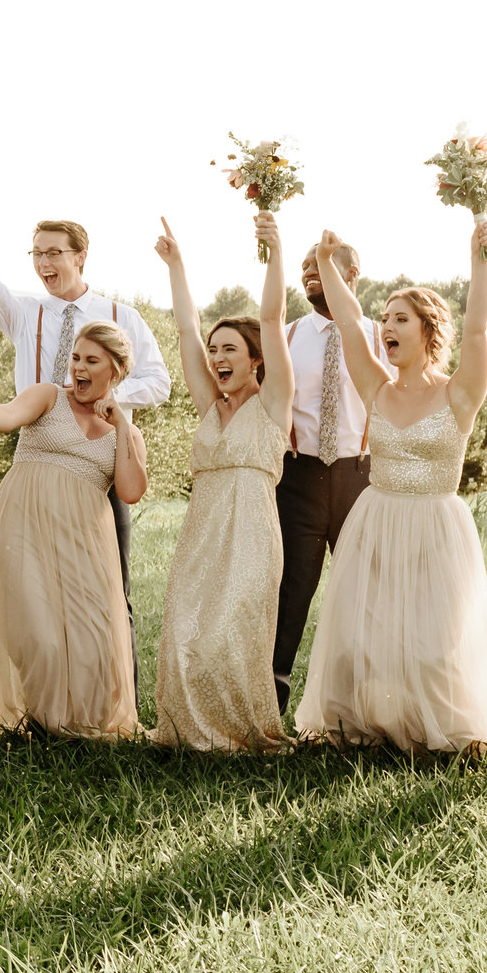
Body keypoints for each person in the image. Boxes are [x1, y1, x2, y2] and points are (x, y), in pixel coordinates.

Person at [291, 219, 487, 754]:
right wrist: (326, 264)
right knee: (364, 638)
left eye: (400, 319)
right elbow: (349, 325)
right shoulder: (377, 386)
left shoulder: (460, 393)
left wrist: (480, 259)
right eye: (386, 317)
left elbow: (478, 330)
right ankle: (369, 727)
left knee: (434, 644)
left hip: (436, 524)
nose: (387, 327)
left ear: (426, 330)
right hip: (376, 518)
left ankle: (443, 729)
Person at [0, 207, 171, 600]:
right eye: (36, 254)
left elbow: (159, 381)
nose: (43, 263)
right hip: (40, 456)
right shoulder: (25, 313)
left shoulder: (122, 316)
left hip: (102, 464)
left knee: (111, 589)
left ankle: (117, 662)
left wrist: (110, 400)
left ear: (80, 257)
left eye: (53, 253)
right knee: (36, 589)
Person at [0, 320, 147, 739]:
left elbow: (130, 490)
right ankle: (45, 724)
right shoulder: (49, 396)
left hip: (84, 543)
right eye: (76, 358)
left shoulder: (127, 433)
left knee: (92, 644)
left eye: (92, 360)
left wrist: (123, 425)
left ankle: (75, 727)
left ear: (117, 370)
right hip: (23, 524)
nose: (79, 368)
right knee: (39, 636)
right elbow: (8, 414)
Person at [147, 215, 294, 752]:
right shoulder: (210, 406)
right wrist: (177, 265)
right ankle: (188, 729)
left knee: (234, 631)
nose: (217, 357)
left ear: (256, 359)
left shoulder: (274, 405)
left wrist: (274, 250)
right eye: (215, 351)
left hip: (252, 528)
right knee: (187, 623)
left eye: (230, 349)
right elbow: (186, 329)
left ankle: (239, 730)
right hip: (202, 528)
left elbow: (274, 319)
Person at [272, 234, 377, 715]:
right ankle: (271, 699)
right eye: (306, 266)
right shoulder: (288, 335)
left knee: (366, 589)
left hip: (364, 477)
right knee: (290, 589)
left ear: (351, 275)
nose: (311, 272)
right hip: (300, 478)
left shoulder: (381, 337)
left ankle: (364, 702)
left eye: (323, 264)